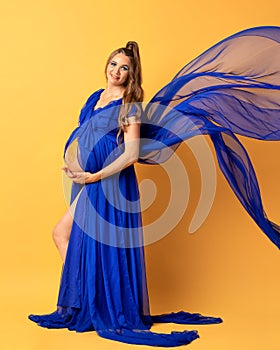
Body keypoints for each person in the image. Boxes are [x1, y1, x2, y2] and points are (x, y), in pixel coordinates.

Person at [29, 27, 280, 347]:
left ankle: (97, 305)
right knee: (64, 235)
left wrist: (95, 175)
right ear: (106, 65)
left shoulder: (130, 107)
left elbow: (131, 154)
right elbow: (84, 135)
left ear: (131, 75)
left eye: (124, 68)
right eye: (114, 64)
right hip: (90, 180)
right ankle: (90, 299)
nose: (117, 71)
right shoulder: (95, 98)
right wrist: (76, 166)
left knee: (94, 244)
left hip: (111, 182)